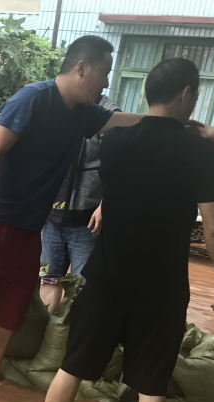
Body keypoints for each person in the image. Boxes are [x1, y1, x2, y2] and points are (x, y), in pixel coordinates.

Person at [0, 35, 214, 386]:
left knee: (13, 306)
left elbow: (140, 121)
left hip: (30, 229)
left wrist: (200, 129)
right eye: (104, 73)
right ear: (81, 67)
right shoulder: (32, 99)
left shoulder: (84, 114)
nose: (106, 82)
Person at [40, 57, 214, 402]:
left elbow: (129, 180)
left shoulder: (115, 143)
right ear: (187, 94)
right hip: (161, 286)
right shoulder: (201, 153)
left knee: (72, 366)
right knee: (152, 386)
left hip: (106, 275)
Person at [39, 94, 120, 312]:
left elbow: (120, 167)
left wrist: (104, 206)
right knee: (49, 278)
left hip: (87, 220)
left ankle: (75, 337)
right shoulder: (61, 106)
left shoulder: (109, 114)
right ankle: (50, 335)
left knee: (83, 285)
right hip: (54, 216)